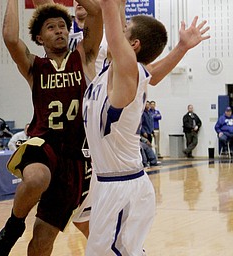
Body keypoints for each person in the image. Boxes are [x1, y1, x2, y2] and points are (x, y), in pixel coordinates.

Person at [82, 0, 210, 253]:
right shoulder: (123, 72)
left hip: (121, 187)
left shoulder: (126, 69)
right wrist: (182, 47)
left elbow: (109, 9)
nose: (121, 27)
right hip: (111, 184)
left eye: (126, 27)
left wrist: (112, 6)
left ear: (133, 45)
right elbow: (156, 71)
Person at [0, 1, 102, 255]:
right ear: (39, 37)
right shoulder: (34, 66)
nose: (59, 30)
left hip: (74, 158)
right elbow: (9, 37)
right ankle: (13, 226)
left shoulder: (83, 56)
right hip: (43, 143)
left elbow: (95, 12)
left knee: (41, 242)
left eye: (62, 26)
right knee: (37, 177)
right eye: (51, 27)